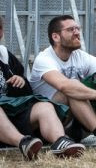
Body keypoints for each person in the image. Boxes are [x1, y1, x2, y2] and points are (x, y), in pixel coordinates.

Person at [28, 15, 96, 152]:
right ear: (56, 37)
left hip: (79, 120)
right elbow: (65, 86)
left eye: (77, 28)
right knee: (72, 88)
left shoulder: (80, 56)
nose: (77, 32)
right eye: (70, 30)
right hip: (51, 127)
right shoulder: (44, 59)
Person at [0, 17, 85, 159]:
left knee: (44, 106)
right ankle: (22, 142)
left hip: (12, 113)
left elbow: (26, 92)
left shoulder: (3, 55)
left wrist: (21, 81)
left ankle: (60, 141)